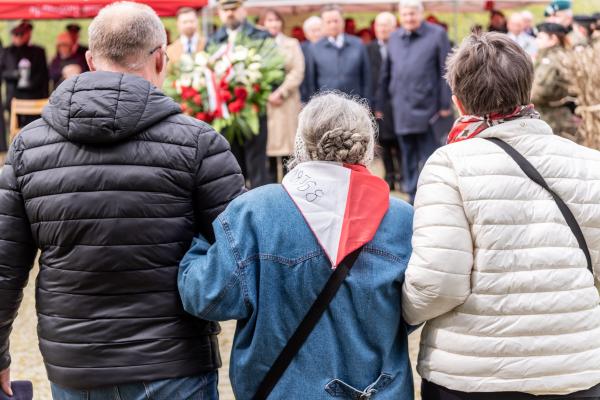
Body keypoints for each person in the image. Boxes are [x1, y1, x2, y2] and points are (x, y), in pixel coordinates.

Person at [0, 2, 245, 399]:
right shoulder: (200, 144)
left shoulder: (28, 147)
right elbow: (243, 254)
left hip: (75, 365)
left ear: (90, 60)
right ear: (162, 58)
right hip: (174, 361)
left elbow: (5, 265)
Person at [178, 92, 415, 399]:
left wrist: (196, 242)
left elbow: (207, 297)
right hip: (378, 389)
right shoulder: (402, 220)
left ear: (301, 143)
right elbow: (419, 305)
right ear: (367, 147)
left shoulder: (255, 211)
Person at [403, 31, 600, 399]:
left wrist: (399, 317)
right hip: (574, 370)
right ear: (527, 89)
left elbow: (438, 284)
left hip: (473, 372)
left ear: (459, 102)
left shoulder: (449, 166)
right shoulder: (591, 163)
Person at [377, 0, 452, 202]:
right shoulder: (394, 38)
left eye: (413, 14)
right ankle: (411, 194)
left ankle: (434, 193)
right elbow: (386, 74)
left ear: (421, 14)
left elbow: (446, 70)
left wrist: (445, 103)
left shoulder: (437, 35)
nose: (409, 18)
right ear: (400, 16)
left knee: (430, 156)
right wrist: (379, 103)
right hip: (402, 108)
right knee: (407, 154)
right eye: (405, 14)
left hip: (430, 109)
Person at [208, 0, 274, 188]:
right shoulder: (214, 40)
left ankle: (261, 211)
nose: (230, 13)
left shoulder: (260, 36)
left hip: (253, 109)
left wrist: (255, 90)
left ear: (243, 10)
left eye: (234, 9)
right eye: (225, 9)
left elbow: (275, 69)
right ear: (219, 12)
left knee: (258, 166)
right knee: (231, 166)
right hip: (225, 115)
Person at [262, 9, 305, 181]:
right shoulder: (258, 45)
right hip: (266, 102)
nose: (273, 24)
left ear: (282, 23)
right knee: (268, 150)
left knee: (288, 148)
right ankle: (271, 187)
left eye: (276, 20)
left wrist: (281, 91)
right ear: (263, 23)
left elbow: (298, 70)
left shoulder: (292, 43)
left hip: (287, 102)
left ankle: (290, 186)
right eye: (269, 20)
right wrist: (266, 94)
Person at [307, 5, 371, 101]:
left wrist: (367, 103)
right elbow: (311, 82)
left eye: (336, 21)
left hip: (355, 104)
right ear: (323, 24)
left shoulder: (358, 44)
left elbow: (366, 77)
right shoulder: (315, 48)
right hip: (326, 106)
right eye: (328, 22)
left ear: (342, 22)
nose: (333, 25)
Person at [368, 12, 401, 191]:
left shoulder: (401, 46)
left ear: (394, 28)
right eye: (379, 26)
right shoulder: (369, 49)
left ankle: (402, 175)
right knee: (385, 142)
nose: (382, 29)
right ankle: (389, 176)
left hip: (399, 103)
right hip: (379, 104)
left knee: (401, 142)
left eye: (386, 26)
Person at [531, 22, 578, 141]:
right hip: (553, 115)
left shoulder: (551, 60)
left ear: (553, 39)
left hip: (552, 117)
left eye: (541, 37)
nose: (537, 41)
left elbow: (539, 92)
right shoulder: (550, 56)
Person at [1, 21, 49, 127]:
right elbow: (3, 72)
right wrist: (15, 74)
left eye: (21, 34)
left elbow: (44, 75)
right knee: (15, 128)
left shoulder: (38, 51)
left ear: (29, 34)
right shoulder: (8, 52)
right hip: (14, 98)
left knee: (34, 127)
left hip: (34, 98)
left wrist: (45, 97)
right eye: (16, 34)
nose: (19, 37)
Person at [300, 16, 322, 103]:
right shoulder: (300, 48)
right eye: (313, 31)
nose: (317, 34)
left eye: (319, 30)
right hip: (306, 94)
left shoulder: (330, 48)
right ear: (306, 34)